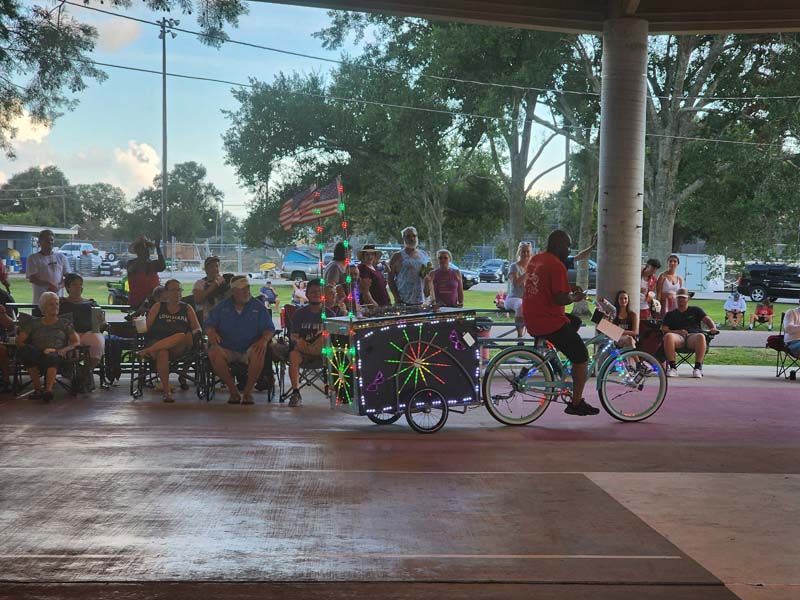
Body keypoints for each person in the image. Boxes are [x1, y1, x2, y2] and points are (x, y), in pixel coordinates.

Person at [523, 230, 598, 416]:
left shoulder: (537, 259)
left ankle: (555, 360)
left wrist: (569, 288)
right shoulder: (556, 265)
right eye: (567, 245)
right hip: (548, 321)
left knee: (575, 321)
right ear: (558, 245)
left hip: (532, 318)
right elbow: (559, 299)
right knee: (581, 357)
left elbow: (546, 286)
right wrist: (575, 297)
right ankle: (576, 402)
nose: (569, 249)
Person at [205, 275, 275, 405]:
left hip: (249, 347)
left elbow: (269, 329)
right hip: (227, 347)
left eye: (247, 288)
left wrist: (264, 340)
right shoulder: (222, 307)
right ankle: (233, 391)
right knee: (214, 352)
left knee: (259, 350)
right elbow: (209, 325)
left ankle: (248, 392)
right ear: (233, 292)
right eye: (242, 289)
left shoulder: (257, 307)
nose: (246, 292)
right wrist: (211, 332)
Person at [139, 279, 202, 403]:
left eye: (179, 290)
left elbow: (197, 328)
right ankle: (167, 392)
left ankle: (146, 351)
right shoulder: (158, 307)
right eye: (173, 290)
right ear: (166, 293)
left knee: (180, 335)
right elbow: (147, 327)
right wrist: (139, 323)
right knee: (162, 351)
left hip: (179, 347)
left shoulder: (187, 308)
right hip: (157, 344)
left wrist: (194, 334)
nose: (177, 293)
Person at [16, 291, 81, 402]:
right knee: (27, 351)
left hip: (57, 353)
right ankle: (38, 389)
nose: (55, 306)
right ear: (43, 307)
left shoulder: (64, 323)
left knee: (52, 356)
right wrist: (28, 349)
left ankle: (48, 391)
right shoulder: (34, 323)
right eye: (51, 304)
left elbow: (76, 342)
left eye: (57, 304)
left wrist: (64, 349)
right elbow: (19, 340)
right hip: (36, 353)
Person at [287, 279, 334, 407]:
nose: (315, 294)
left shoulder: (329, 314)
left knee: (329, 346)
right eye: (312, 291)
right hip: (303, 350)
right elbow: (293, 336)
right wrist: (302, 344)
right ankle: (296, 392)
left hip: (323, 352)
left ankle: (335, 391)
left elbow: (333, 338)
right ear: (306, 294)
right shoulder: (299, 314)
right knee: (293, 355)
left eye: (319, 291)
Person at [661, 288, 719, 378]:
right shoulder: (670, 314)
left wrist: (713, 328)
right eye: (679, 297)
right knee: (668, 336)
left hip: (692, 336)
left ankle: (697, 368)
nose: (681, 300)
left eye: (683, 298)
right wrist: (677, 332)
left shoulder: (696, 310)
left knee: (700, 336)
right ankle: (673, 368)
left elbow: (707, 319)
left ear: (688, 298)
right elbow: (664, 329)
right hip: (678, 338)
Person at [59, 273, 105, 373]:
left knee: (97, 342)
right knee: (68, 345)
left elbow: (101, 324)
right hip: (69, 334)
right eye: (75, 284)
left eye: (80, 284)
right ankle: (71, 372)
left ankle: (86, 372)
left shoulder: (91, 303)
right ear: (67, 287)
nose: (79, 287)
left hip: (89, 332)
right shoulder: (61, 303)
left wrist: (101, 321)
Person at [388, 226, 430, 305]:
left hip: (422, 299)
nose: (412, 238)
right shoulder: (397, 256)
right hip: (404, 299)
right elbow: (390, 279)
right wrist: (397, 298)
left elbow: (426, 276)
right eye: (408, 236)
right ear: (403, 238)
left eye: (414, 236)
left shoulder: (424, 254)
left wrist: (428, 292)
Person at [26, 229, 69, 304]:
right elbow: (32, 278)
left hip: (58, 299)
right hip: (40, 299)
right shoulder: (33, 258)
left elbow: (68, 277)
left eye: (51, 240)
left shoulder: (61, 257)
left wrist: (59, 286)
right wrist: (49, 284)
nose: (50, 242)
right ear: (40, 242)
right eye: (47, 240)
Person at [126, 236, 166, 310]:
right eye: (143, 249)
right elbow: (132, 270)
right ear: (137, 251)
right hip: (137, 303)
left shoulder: (152, 264)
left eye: (147, 249)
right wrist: (142, 258)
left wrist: (158, 248)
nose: (146, 251)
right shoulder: (131, 264)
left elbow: (162, 266)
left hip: (154, 303)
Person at [192, 256, 231, 323]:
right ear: (206, 269)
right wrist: (214, 285)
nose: (215, 269)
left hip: (224, 318)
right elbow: (198, 300)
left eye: (217, 266)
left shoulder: (225, 282)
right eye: (211, 266)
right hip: (207, 319)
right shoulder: (200, 283)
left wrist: (228, 286)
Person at [505, 242, 532, 337]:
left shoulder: (533, 266)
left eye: (528, 251)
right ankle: (520, 337)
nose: (525, 254)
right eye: (523, 251)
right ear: (519, 253)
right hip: (513, 298)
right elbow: (516, 283)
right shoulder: (514, 266)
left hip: (527, 299)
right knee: (521, 305)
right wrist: (527, 273)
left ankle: (542, 339)